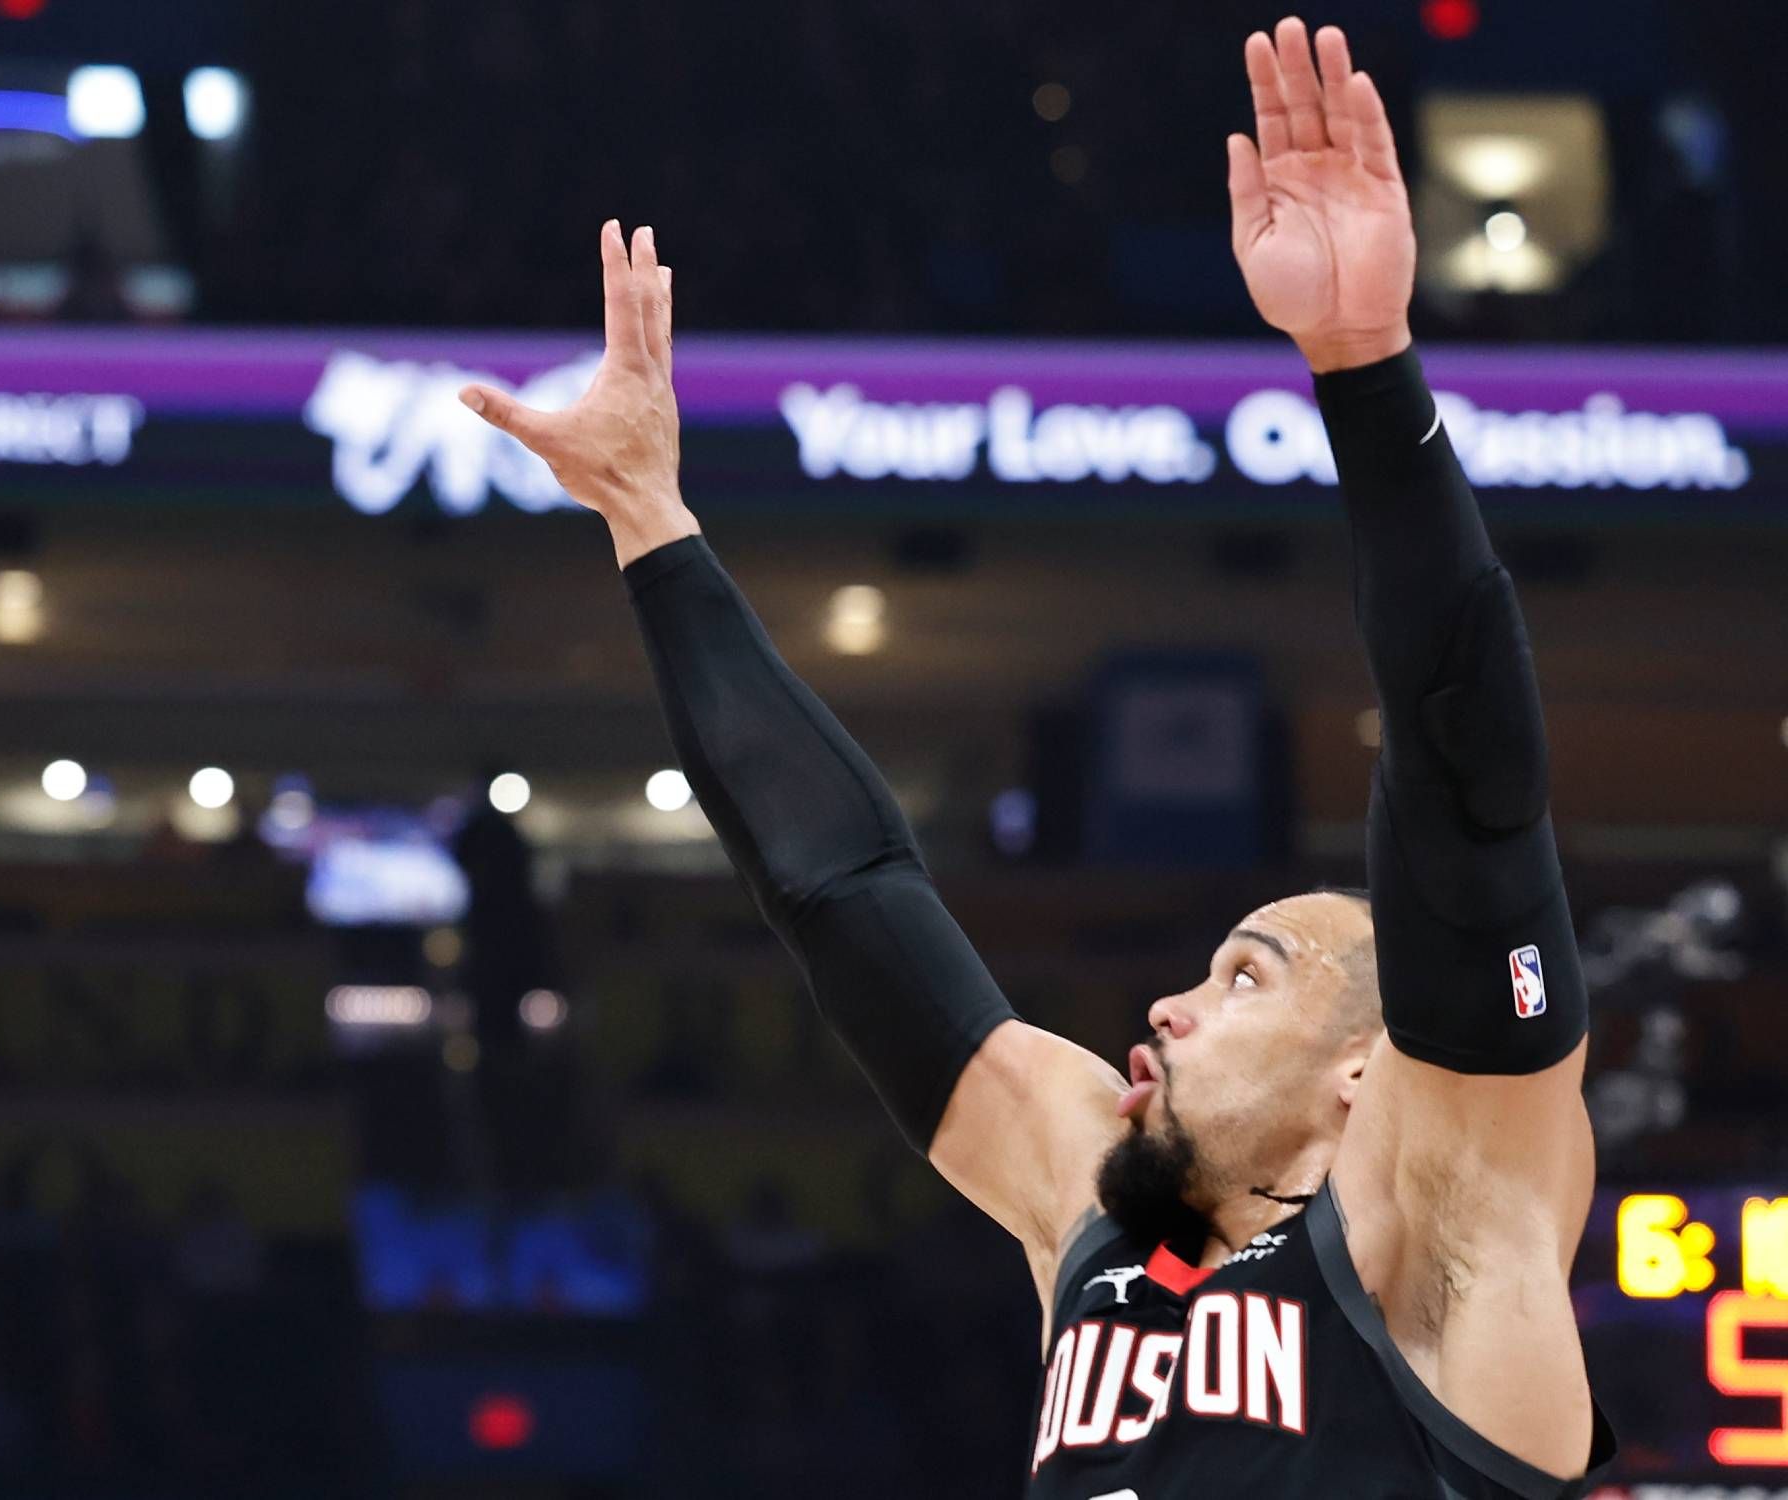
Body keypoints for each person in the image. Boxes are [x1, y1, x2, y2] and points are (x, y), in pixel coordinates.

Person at [459, 21, 1614, 1494]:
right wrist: (651, 526)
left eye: (1248, 975)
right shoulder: (1098, 1206)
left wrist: (1363, 367)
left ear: (1364, 1077)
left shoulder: (1449, 1223)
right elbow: (848, 890)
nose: (1170, 1007)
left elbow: (1468, 794)